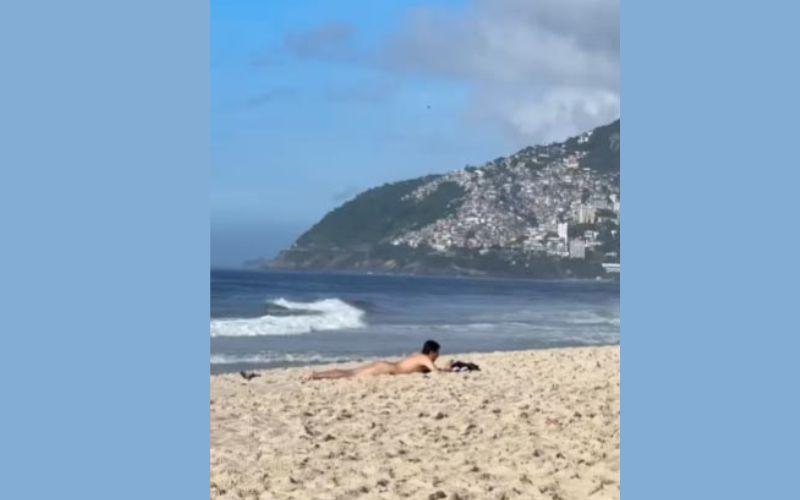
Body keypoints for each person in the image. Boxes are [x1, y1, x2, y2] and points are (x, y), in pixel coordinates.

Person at [306, 340, 451, 380]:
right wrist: (447, 369)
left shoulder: (417, 355)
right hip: (387, 369)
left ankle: (317, 374)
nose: (438, 355)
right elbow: (435, 372)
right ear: (432, 352)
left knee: (349, 371)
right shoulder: (425, 358)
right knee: (350, 375)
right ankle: (316, 376)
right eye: (437, 352)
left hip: (386, 365)